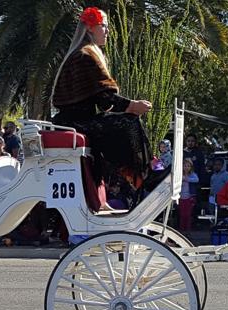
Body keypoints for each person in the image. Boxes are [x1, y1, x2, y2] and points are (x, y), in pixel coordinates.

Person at [50, 6, 152, 211]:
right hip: (75, 123)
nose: (107, 31)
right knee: (128, 123)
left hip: (78, 121)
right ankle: (140, 177)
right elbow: (104, 96)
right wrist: (132, 106)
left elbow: (103, 101)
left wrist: (128, 106)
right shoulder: (86, 55)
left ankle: (128, 180)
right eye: (103, 26)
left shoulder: (87, 53)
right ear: (90, 28)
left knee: (118, 123)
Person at [178, 159, 199, 232]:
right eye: (185, 166)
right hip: (181, 197)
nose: (186, 167)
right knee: (182, 215)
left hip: (190, 197)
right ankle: (181, 230)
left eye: (188, 166)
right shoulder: (180, 174)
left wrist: (187, 179)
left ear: (191, 167)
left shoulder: (192, 174)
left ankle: (188, 230)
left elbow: (196, 179)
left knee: (188, 215)